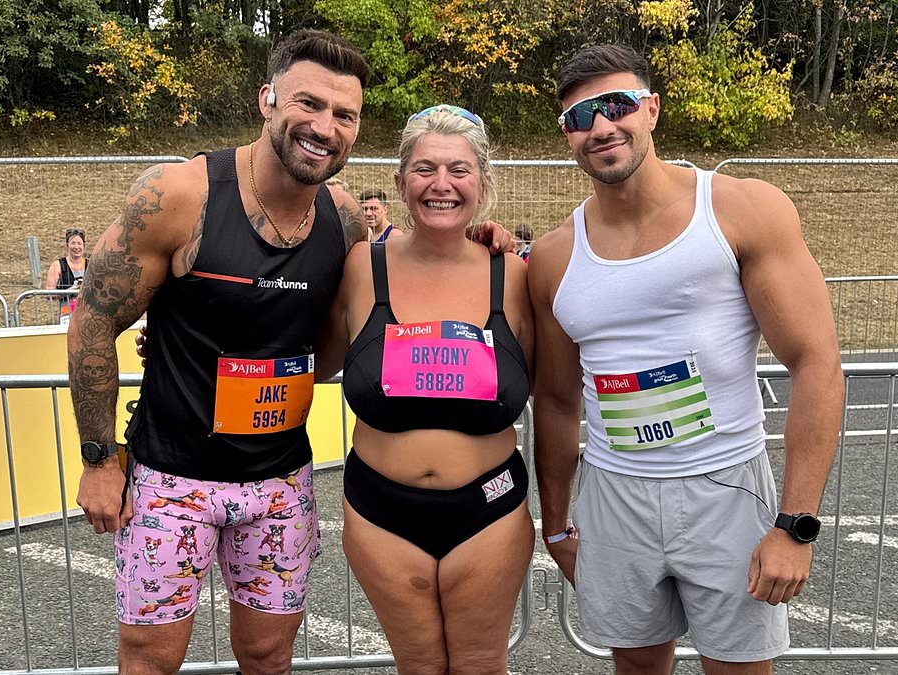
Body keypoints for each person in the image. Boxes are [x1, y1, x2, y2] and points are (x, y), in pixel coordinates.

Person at [71, 30, 509, 675]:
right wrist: (98, 461)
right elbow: (92, 320)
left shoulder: (344, 220)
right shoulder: (180, 195)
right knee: (151, 657)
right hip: (172, 478)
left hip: (279, 480)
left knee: (268, 655)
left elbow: (384, 292)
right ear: (267, 100)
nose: (325, 127)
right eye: (309, 103)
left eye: (344, 115)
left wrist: (477, 238)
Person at [530, 45, 844, 674]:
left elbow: (816, 364)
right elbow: (558, 402)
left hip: (724, 485)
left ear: (651, 110)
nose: (601, 126)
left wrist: (796, 525)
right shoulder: (555, 255)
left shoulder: (740, 210)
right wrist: (557, 525)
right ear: (567, 135)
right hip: (615, 493)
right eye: (580, 116)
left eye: (616, 105)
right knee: (636, 667)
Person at [325, 104, 533, 674]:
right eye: (424, 169)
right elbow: (303, 351)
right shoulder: (359, 268)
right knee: (416, 665)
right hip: (380, 513)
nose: (442, 184)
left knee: (480, 665)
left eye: (459, 170)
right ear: (400, 183)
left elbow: (561, 388)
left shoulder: (516, 276)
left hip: (489, 509)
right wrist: (178, 339)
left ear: (482, 183)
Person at [44, 228, 89, 326]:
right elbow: (49, 293)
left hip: (89, 314)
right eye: (73, 243)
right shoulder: (58, 265)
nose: (76, 247)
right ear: (67, 245)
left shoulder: (91, 265)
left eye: (79, 243)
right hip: (67, 315)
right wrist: (70, 290)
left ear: (84, 245)